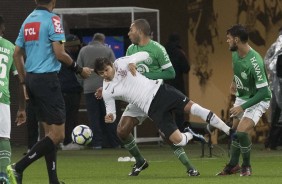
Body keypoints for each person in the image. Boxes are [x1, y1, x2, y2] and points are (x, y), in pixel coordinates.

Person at [110, 19, 232, 177]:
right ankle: (140, 161)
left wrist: (145, 75)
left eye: (130, 30)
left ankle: (189, 167)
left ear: (139, 32)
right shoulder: (131, 49)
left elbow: (170, 73)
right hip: (138, 99)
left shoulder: (157, 49)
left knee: (168, 136)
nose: (128, 33)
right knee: (121, 130)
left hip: (156, 96)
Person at [6, 1, 92, 184]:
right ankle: (17, 168)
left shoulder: (28, 20)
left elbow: (17, 53)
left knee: (48, 134)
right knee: (58, 135)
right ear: (53, 1)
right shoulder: (53, 20)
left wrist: (23, 81)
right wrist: (79, 69)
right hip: (47, 80)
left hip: (31, 80)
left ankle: (53, 180)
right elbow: (60, 53)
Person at [216, 24, 271, 176]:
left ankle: (246, 166)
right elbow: (236, 68)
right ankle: (233, 165)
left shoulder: (255, 62)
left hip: (258, 98)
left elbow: (263, 92)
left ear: (236, 39)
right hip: (243, 95)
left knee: (241, 132)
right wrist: (234, 81)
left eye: (228, 39)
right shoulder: (235, 52)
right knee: (234, 131)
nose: (227, 41)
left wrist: (242, 107)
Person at [77, 33, 120, 149]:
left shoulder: (83, 51)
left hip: (89, 89)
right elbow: (114, 68)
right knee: (110, 115)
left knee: (93, 117)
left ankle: (97, 143)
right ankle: (114, 143)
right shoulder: (107, 50)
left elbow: (78, 70)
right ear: (103, 40)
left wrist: (84, 84)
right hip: (106, 89)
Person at [0, 15, 26, 184]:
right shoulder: (11, 48)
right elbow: (21, 79)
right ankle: (2, 175)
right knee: (3, 138)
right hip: (2, 99)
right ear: (2, 28)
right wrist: (22, 108)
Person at [58, 34, 83, 151]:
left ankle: (68, 140)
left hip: (68, 90)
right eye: (76, 46)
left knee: (69, 116)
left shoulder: (68, 55)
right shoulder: (66, 57)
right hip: (68, 90)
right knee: (69, 117)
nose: (78, 48)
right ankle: (68, 141)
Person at [165, 32, 190, 131]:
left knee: (167, 112)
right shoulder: (179, 52)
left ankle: (168, 135)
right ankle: (180, 135)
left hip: (165, 86)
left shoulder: (163, 52)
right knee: (180, 112)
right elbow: (186, 68)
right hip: (178, 86)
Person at [264, 27, 282, 150]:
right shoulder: (275, 47)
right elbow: (267, 61)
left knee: (276, 115)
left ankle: (272, 143)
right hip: (276, 85)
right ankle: (272, 142)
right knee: (276, 114)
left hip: (277, 83)